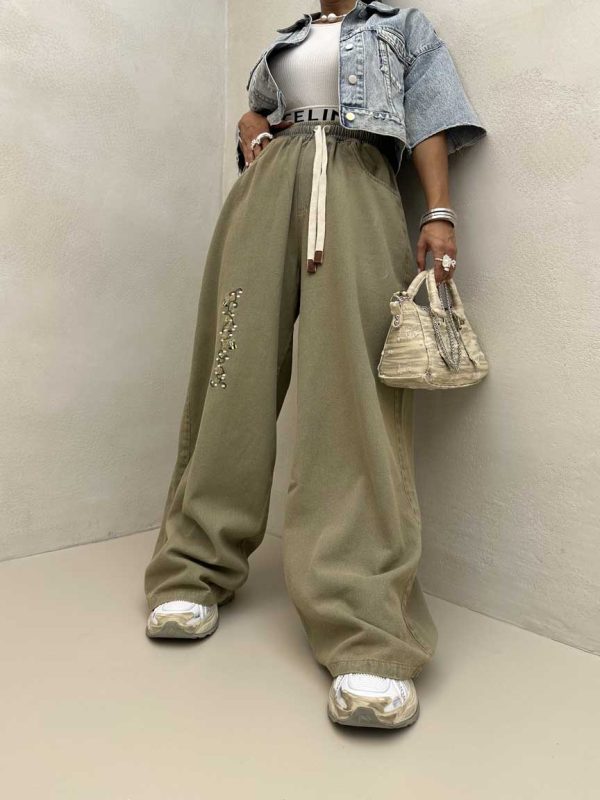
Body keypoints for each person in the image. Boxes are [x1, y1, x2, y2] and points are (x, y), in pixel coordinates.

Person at [143, 0, 486, 730]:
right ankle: (193, 568)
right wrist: (252, 128)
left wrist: (438, 212)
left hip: (357, 182)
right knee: (231, 375)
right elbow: (258, 110)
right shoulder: (288, 38)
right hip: (268, 191)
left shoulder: (401, 26)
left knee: (350, 396)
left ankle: (365, 622)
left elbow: (429, 117)